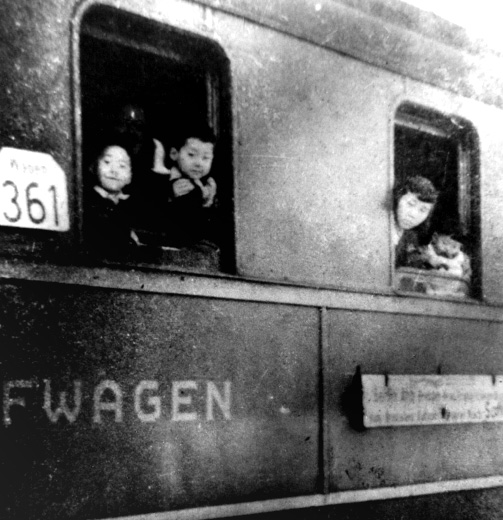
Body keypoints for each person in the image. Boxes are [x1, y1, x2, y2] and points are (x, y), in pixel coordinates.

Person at [85, 142, 136, 256]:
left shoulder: (130, 204)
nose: (114, 171)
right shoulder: (86, 203)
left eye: (122, 166)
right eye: (107, 162)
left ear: (130, 177)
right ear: (93, 167)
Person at [392, 175, 439, 268]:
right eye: (410, 204)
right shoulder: (381, 227)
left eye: (423, 210)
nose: (413, 214)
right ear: (397, 199)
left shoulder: (411, 237)